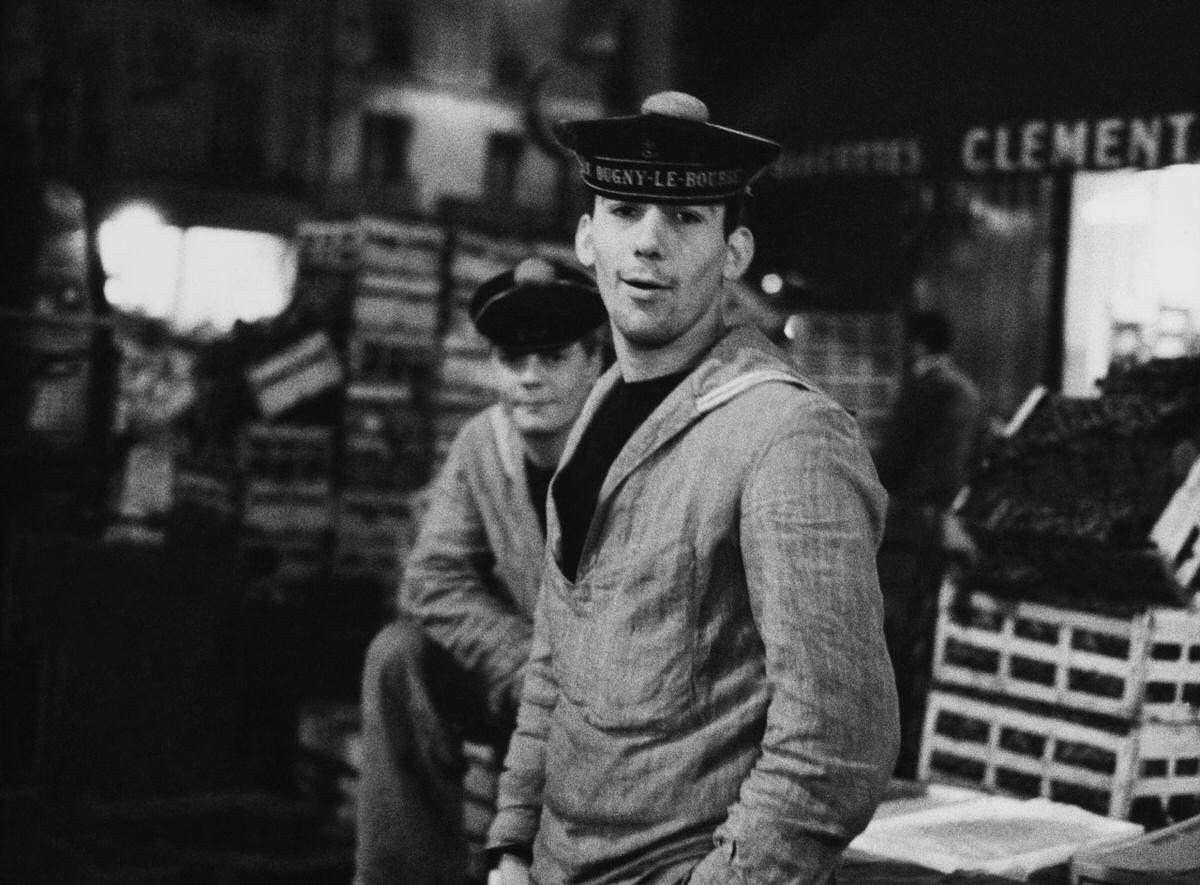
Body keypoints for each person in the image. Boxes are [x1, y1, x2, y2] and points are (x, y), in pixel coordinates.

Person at [486, 91, 899, 885]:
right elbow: (555, 658)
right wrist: (511, 846)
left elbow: (835, 746)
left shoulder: (787, 434)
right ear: (585, 238)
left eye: (684, 219)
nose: (648, 243)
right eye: (625, 209)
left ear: (734, 251)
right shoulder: (600, 405)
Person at [354, 257, 608, 885]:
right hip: (522, 678)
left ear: (593, 361)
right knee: (398, 657)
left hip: (620, 693)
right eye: (512, 360)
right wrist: (521, 663)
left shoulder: (634, 445)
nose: (529, 378)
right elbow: (433, 578)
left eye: (552, 358)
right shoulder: (482, 443)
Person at [873, 307, 985, 778]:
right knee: (925, 636)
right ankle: (915, 742)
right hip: (945, 526)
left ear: (917, 343)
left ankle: (891, 754)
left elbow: (893, 460)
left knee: (892, 640)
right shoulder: (968, 390)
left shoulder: (926, 388)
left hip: (907, 529)